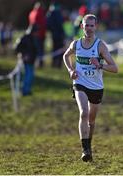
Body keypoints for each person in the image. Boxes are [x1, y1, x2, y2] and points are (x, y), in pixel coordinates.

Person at [63, 14, 118, 162]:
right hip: (80, 83)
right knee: (83, 113)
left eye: (91, 25)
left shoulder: (100, 45)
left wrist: (99, 65)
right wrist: (70, 70)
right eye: (86, 25)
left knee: (91, 120)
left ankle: (89, 144)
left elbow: (115, 68)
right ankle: (85, 149)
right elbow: (65, 56)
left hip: (96, 87)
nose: (89, 28)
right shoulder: (76, 44)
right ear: (82, 26)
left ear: (96, 27)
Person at [15, 25, 37, 96]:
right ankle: (24, 91)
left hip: (31, 61)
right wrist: (23, 55)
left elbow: (34, 50)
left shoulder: (33, 38)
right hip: (25, 61)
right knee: (27, 76)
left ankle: (27, 90)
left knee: (30, 77)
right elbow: (17, 48)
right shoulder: (25, 38)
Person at [47, 2, 65, 68]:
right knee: (59, 50)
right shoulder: (57, 13)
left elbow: (48, 25)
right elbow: (60, 24)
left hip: (54, 34)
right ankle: (58, 64)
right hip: (59, 35)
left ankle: (54, 63)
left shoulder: (50, 13)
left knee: (55, 49)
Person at [28, 1, 46, 68]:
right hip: (40, 34)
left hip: (33, 34)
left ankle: (35, 63)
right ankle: (39, 64)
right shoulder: (40, 13)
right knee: (40, 50)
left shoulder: (32, 12)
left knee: (34, 49)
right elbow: (42, 24)